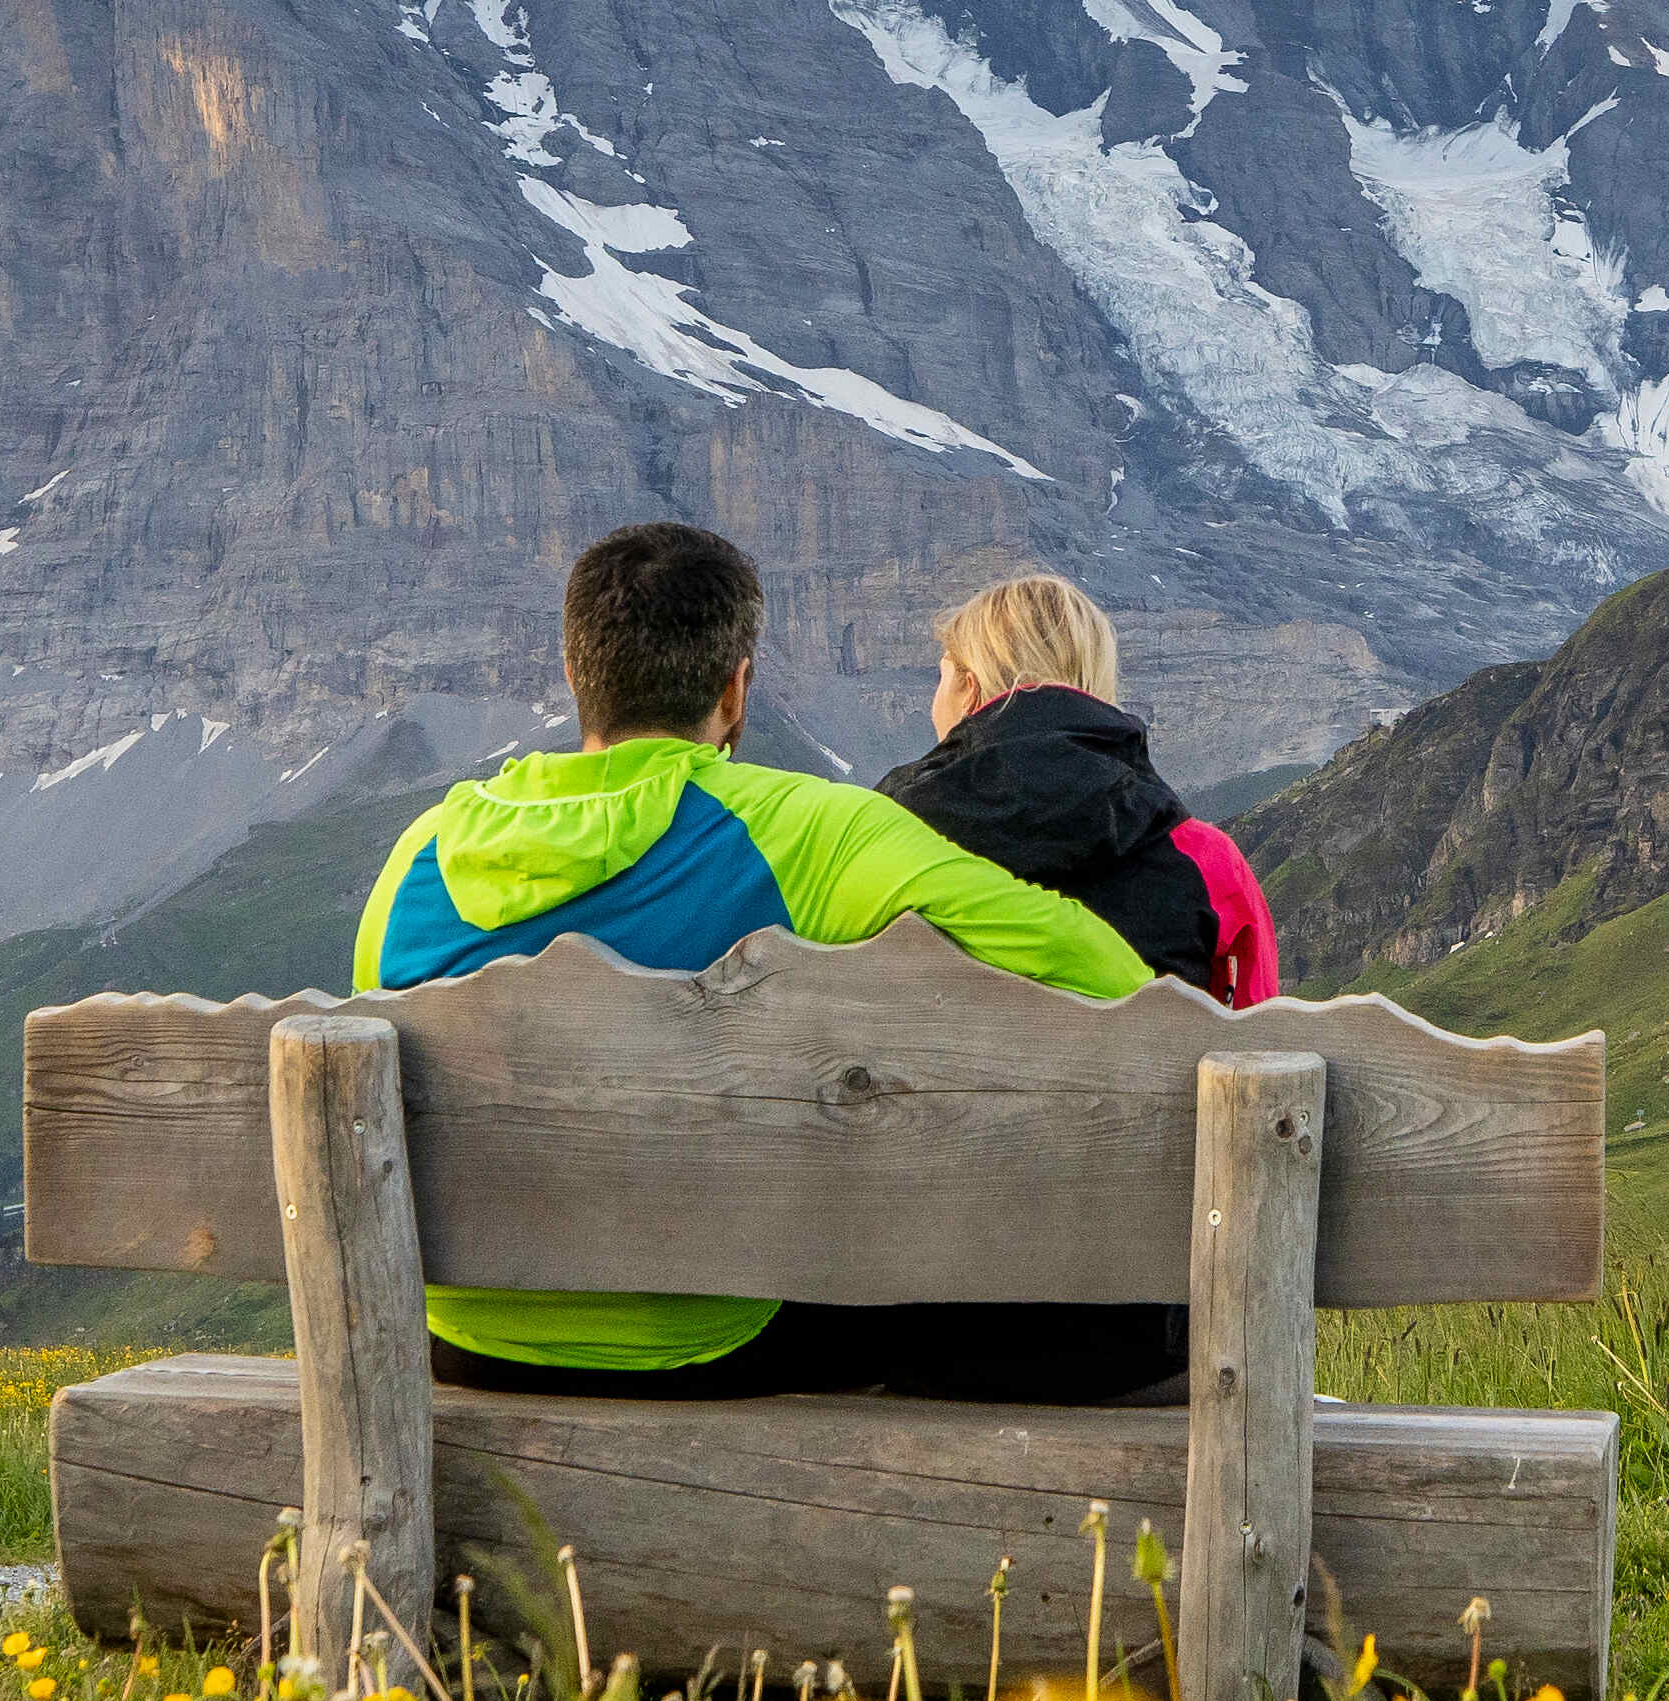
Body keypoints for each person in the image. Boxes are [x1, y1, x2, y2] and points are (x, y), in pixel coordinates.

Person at [350, 519, 1180, 1403]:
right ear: (738, 688)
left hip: (471, 1338)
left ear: (576, 672)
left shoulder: (420, 853)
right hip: (716, 1341)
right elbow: (1098, 971)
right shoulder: (812, 831)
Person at [881, 573, 1275, 1002]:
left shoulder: (887, 829)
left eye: (939, 679)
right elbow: (1259, 1040)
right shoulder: (1208, 862)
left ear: (968, 691)